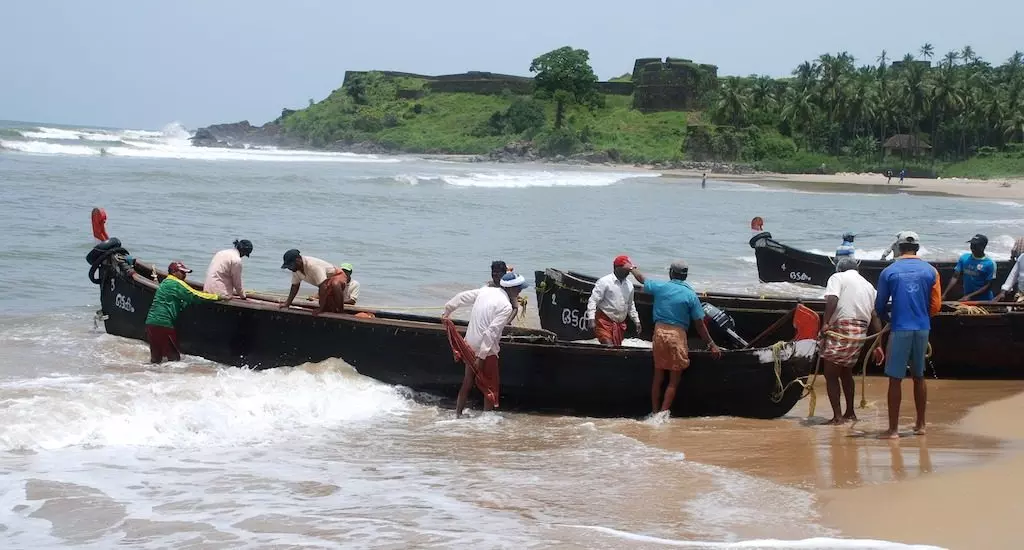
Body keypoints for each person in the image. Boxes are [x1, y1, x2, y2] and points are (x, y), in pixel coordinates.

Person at [630, 261, 723, 414]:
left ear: (671, 273)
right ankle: (663, 413)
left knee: (658, 376)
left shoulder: (661, 287)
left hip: (659, 333)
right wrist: (712, 344)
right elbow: (699, 325)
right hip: (677, 336)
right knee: (674, 380)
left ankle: (654, 411)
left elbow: (641, 279)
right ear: (685, 276)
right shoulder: (691, 295)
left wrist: (632, 267)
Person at [874, 231, 941, 439]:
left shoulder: (889, 271)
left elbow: (879, 306)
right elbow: (936, 305)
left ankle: (893, 430)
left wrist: (891, 320)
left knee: (895, 378)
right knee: (919, 376)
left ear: (898, 248)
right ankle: (921, 425)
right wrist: (921, 315)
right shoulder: (931, 271)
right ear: (917, 248)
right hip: (922, 328)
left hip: (900, 328)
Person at [442, 271, 529, 417]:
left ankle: (457, 414)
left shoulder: (485, 291)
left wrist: (447, 311)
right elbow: (491, 332)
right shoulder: (506, 306)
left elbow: (461, 297)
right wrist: (481, 357)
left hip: (469, 344)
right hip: (486, 349)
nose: (520, 291)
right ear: (511, 289)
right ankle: (486, 422)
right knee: (490, 387)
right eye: (518, 288)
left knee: (468, 379)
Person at [820, 257, 883, 425]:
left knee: (831, 374)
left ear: (839, 268)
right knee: (845, 372)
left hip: (842, 328)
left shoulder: (837, 277)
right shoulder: (869, 286)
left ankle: (837, 417)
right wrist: (879, 344)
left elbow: (832, 299)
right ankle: (850, 413)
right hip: (861, 331)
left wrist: (825, 323)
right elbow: (875, 315)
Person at [145, 261, 225, 363]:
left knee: (156, 359)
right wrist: (217, 297)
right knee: (174, 360)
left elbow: (180, 300)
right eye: (182, 272)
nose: (185, 275)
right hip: (164, 324)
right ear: (174, 272)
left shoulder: (165, 282)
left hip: (151, 323)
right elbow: (195, 295)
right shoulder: (176, 283)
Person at [585, 255, 642, 346]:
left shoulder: (629, 285)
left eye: (629, 270)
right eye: (626, 269)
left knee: (616, 349)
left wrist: (636, 320)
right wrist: (591, 318)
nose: (628, 272)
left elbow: (630, 305)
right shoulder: (604, 281)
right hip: (604, 321)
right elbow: (593, 301)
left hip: (619, 324)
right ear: (617, 268)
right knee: (608, 345)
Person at [279, 249, 348, 315]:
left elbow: (323, 286)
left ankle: (341, 311)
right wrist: (287, 303)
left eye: (290, 265)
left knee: (335, 284)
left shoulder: (313, 266)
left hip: (338, 275)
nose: (289, 268)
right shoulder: (296, 269)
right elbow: (295, 286)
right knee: (329, 308)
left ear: (298, 260)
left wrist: (320, 308)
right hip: (326, 283)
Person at [943, 234, 997, 302]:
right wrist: (945, 294)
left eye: (975, 246)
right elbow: (955, 277)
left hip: (984, 300)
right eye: (971, 245)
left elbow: (988, 285)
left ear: (983, 247)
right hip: (967, 299)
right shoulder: (964, 258)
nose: (972, 247)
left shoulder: (990, 263)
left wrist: (969, 296)